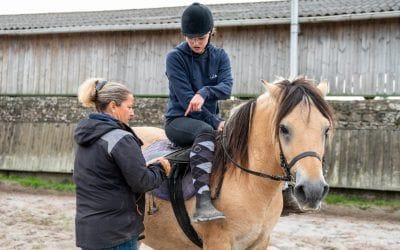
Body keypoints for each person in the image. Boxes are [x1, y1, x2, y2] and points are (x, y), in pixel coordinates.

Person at [73, 78, 170, 250]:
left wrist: (144, 167)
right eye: (129, 106)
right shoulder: (121, 138)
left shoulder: (86, 137)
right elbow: (142, 182)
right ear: (113, 106)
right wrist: (160, 169)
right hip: (117, 235)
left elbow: (107, 175)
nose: (132, 113)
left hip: (90, 231)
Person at [164, 2, 233, 223]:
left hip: (209, 120)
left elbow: (227, 88)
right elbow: (187, 102)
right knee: (205, 131)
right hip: (179, 121)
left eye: (200, 38)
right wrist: (215, 122)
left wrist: (205, 91)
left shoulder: (220, 56)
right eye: (190, 37)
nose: (195, 42)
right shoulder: (174, 58)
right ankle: (203, 202)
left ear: (211, 33)